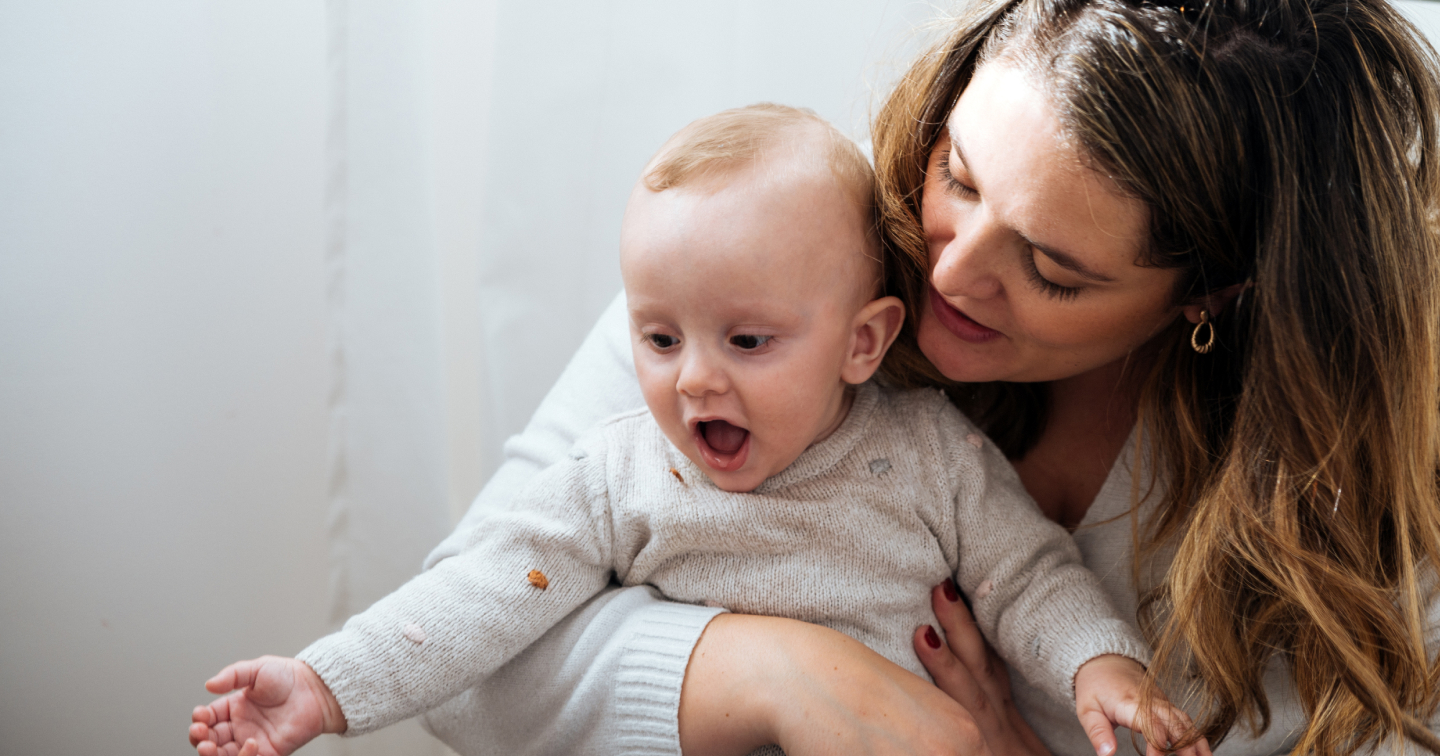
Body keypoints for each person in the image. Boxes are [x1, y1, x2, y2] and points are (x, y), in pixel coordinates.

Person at [195, 0, 1440, 752]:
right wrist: (788, 677)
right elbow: (479, 636)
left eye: (1054, 271)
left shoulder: (1352, 502)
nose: (950, 269)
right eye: (959, 170)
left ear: (1211, 296)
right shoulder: (772, 254)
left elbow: (1032, 585)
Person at [189, 105, 1202, 756]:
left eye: (749, 342)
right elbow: (480, 595)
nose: (694, 381)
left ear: (863, 342)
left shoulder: (932, 454)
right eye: (658, 337)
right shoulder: (621, 473)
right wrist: (324, 684)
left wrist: (1098, 667)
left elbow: (1028, 576)